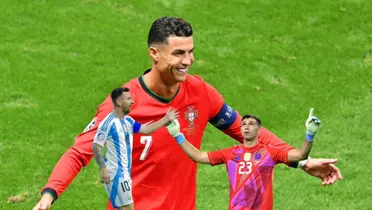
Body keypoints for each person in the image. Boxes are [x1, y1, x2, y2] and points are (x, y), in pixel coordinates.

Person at [33, 16, 342, 210]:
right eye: (178, 53)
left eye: (191, 51)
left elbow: (245, 132)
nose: (188, 60)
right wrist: (48, 196)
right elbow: (78, 153)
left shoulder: (199, 92)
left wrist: (301, 160)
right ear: (154, 53)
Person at [165, 109, 323, 210]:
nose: (246, 126)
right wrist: (178, 135)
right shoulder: (230, 154)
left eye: (251, 124)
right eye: (244, 124)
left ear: (259, 130)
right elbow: (198, 156)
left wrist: (310, 134)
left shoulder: (270, 153)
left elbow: (300, 155)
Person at [92, 87, 179, 210]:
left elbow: (146, 129)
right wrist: (103, 168)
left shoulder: (129, 121)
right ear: (119, 102)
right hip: (116, 173)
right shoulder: (108, 123)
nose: (132, 102)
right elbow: (96, 145)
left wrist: (165, 119)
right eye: (128, 99)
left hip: (125, 173)